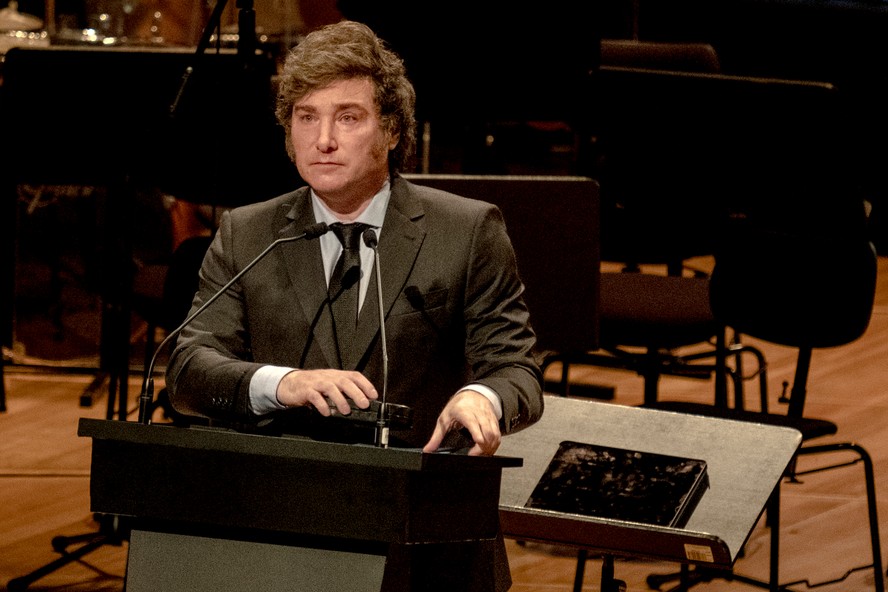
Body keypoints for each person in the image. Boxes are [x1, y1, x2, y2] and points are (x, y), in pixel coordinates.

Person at [165, 20, 544, 457]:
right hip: (281, 483)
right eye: (307, 118)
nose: (324, 140)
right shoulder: (246, 233)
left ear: (392, 130)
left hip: (415, 484)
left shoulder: (467, 230)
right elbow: (188, 371)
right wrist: (284, 384)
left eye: (348, 118)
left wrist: (483, 398)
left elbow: (517, 371)